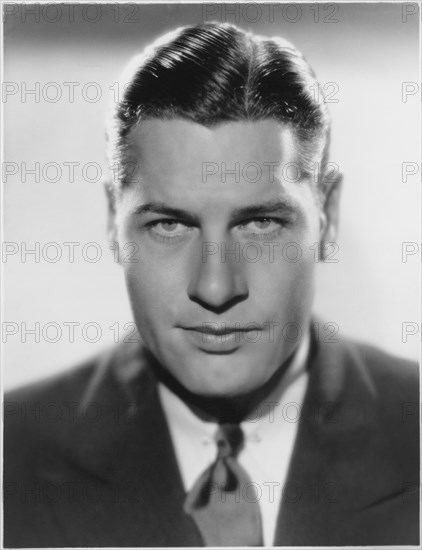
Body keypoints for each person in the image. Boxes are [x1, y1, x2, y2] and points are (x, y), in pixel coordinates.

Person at [4, 22, 419, 547]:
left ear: (328, 217)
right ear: (113, 221)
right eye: (169, 225)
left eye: (261, 224)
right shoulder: (12, 451)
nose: (217, 288)